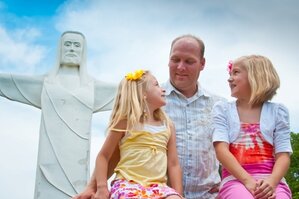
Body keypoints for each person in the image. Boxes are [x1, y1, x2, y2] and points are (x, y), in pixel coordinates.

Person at [73, 35, 223, 199]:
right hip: (145, 192)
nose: (180, 67)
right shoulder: (148, 101)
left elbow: (231, 151)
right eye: (175, 59)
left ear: (202, 64)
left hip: (205, 195)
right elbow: (115, 152)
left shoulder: (218, 106)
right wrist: (93, 187)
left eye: (189, 61)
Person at [0, 31, 116, 199]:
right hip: (49, 158)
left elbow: (128, 92)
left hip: (78, 159)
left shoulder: (92, 87)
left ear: (83, 52)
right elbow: (10, 82)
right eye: (67, 44)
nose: (71, 49)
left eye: (77, 45)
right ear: (60, 49)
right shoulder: (46, 83)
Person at [82, 69, 183, 199]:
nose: (163, 89)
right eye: (156, 85)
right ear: (143, 94)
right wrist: (101, 188)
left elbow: (173, 164)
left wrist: (178, 194)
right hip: (128, 185)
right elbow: (103, 156)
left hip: (158, 187)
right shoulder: (125, 123)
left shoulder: (168, 125)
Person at [212, 55, 292, 199]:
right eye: (230, 74)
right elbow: (221, 151)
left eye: (235, 73)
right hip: (236, 180)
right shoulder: (223, 110)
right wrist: (248, 181)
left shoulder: (278, 112)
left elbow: (283, 155)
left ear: (256, 76)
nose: (229, 79)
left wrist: (272, 183)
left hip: (272, 181)